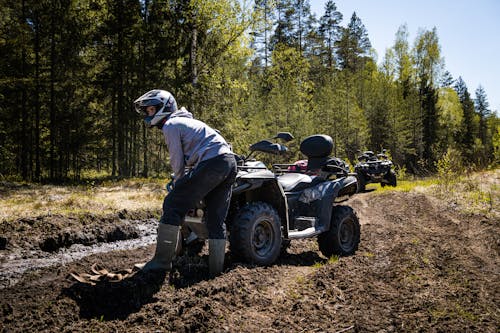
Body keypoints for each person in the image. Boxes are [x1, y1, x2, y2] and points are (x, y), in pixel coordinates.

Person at [133, 89, 237, 277]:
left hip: (213, 162)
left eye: (150, 110)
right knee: (215, 218)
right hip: (228, 163)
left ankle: (161, 263)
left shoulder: (171, 124)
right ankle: (215, 273)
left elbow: (177, 162)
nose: (148, 115)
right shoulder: (188, 121)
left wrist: (178, 182)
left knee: (172, 204)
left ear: (163, 107)